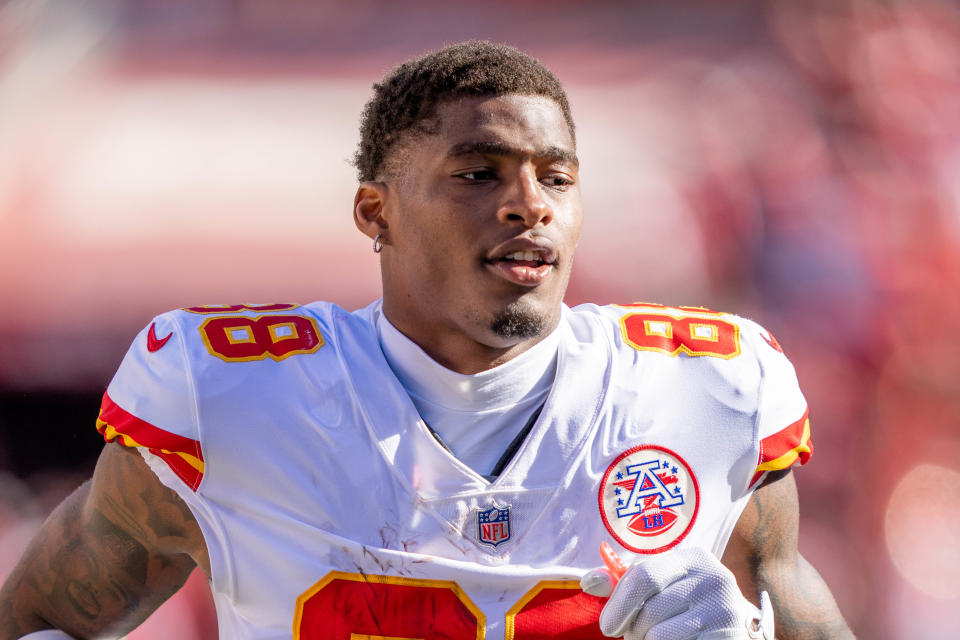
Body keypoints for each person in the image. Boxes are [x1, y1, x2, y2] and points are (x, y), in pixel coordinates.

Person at [0, 41, 853, 640]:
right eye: (479, 173)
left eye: (556, 177)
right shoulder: (227, 398)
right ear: (377, 212)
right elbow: (40, 621)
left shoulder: (707, 387)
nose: (532, 204)